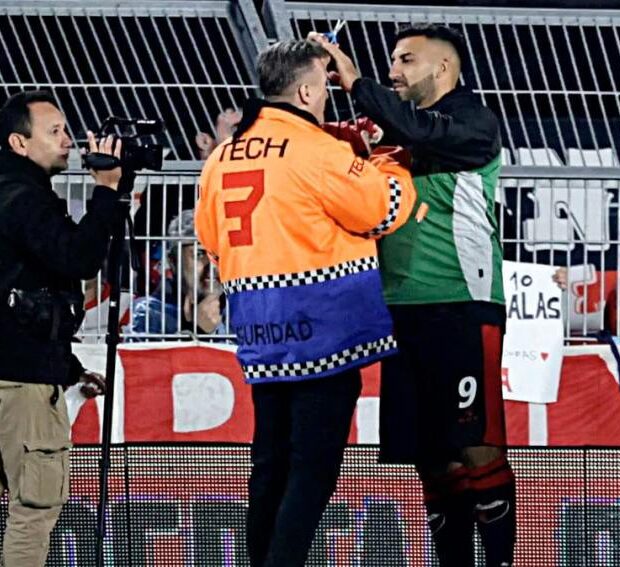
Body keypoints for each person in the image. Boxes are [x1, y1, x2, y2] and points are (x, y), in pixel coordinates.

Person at [194, 39, 416, 567]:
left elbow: (209, 236)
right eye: (324, 85)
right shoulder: (318, 150)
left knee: (269, 462)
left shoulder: (222, 157)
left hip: (258, 329)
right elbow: (384, 210)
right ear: (308, 88)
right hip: (325, 327)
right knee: (313, 467)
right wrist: (391, 161)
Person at [313, 24, 515, 567]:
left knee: (477, 444)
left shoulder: (472, 121)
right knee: (431, 456)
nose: (393, 72)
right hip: (400, 309)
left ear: (443, 69)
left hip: (461, 302)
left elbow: (415, 128)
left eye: (405, 60)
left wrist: (355, 82)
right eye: (391, 62)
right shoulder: (392, 129)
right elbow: (329, 144)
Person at [0, 90, 119, 566]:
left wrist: (66, 367)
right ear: (18, 142)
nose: (69, 140)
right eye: (55, 132)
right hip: (20, 383)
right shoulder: (24, 199)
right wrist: (107, 192)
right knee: (34, 508)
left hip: (21, 368)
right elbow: (77, 258)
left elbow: (25, 291)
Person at [130, 209, 226, 337]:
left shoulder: (242, 310)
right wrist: (198, 332)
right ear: (173, 261)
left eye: (218, 254)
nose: (212, 264)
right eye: (199, 254)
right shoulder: (148, 314)